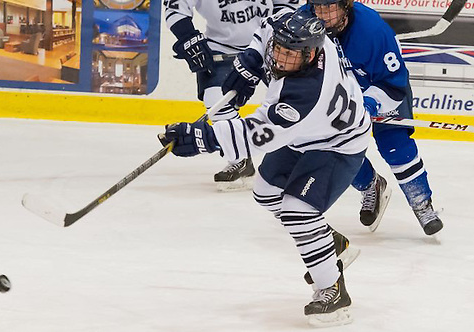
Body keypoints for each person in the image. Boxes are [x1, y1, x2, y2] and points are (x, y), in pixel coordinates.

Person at [161, 9, 371, 326]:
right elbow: (266, 26)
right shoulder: (300, 36)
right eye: (279, 51)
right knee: (265, 191)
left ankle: (332, 289)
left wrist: (200, 137)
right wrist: (250, 60)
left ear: (311, 54)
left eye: (291, 55)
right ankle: (330, 243)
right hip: (306, 135)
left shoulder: (303, 95)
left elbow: (253, 135)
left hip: (337, 143)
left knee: (297, 210)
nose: (282, 59)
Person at [303, 0, 443, 235]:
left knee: (395, 147)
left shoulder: (373, 31)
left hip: (382, 89)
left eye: (330, 8)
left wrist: (368, 104)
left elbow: (393, 83)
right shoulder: (303, 22)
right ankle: (371, 186)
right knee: (335, 148)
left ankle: (422, 204)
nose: (323, 15)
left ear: (345, 5)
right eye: (318, 8)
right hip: (338, 96)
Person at [163, 0, 300, 191]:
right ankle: (241, 159)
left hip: (273, 43)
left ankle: (304, 154)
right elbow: (176, 7)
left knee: (293, 102)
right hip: (222, 47)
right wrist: (188, 38)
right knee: (216, 102)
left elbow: (287, 5)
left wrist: (274, 35)